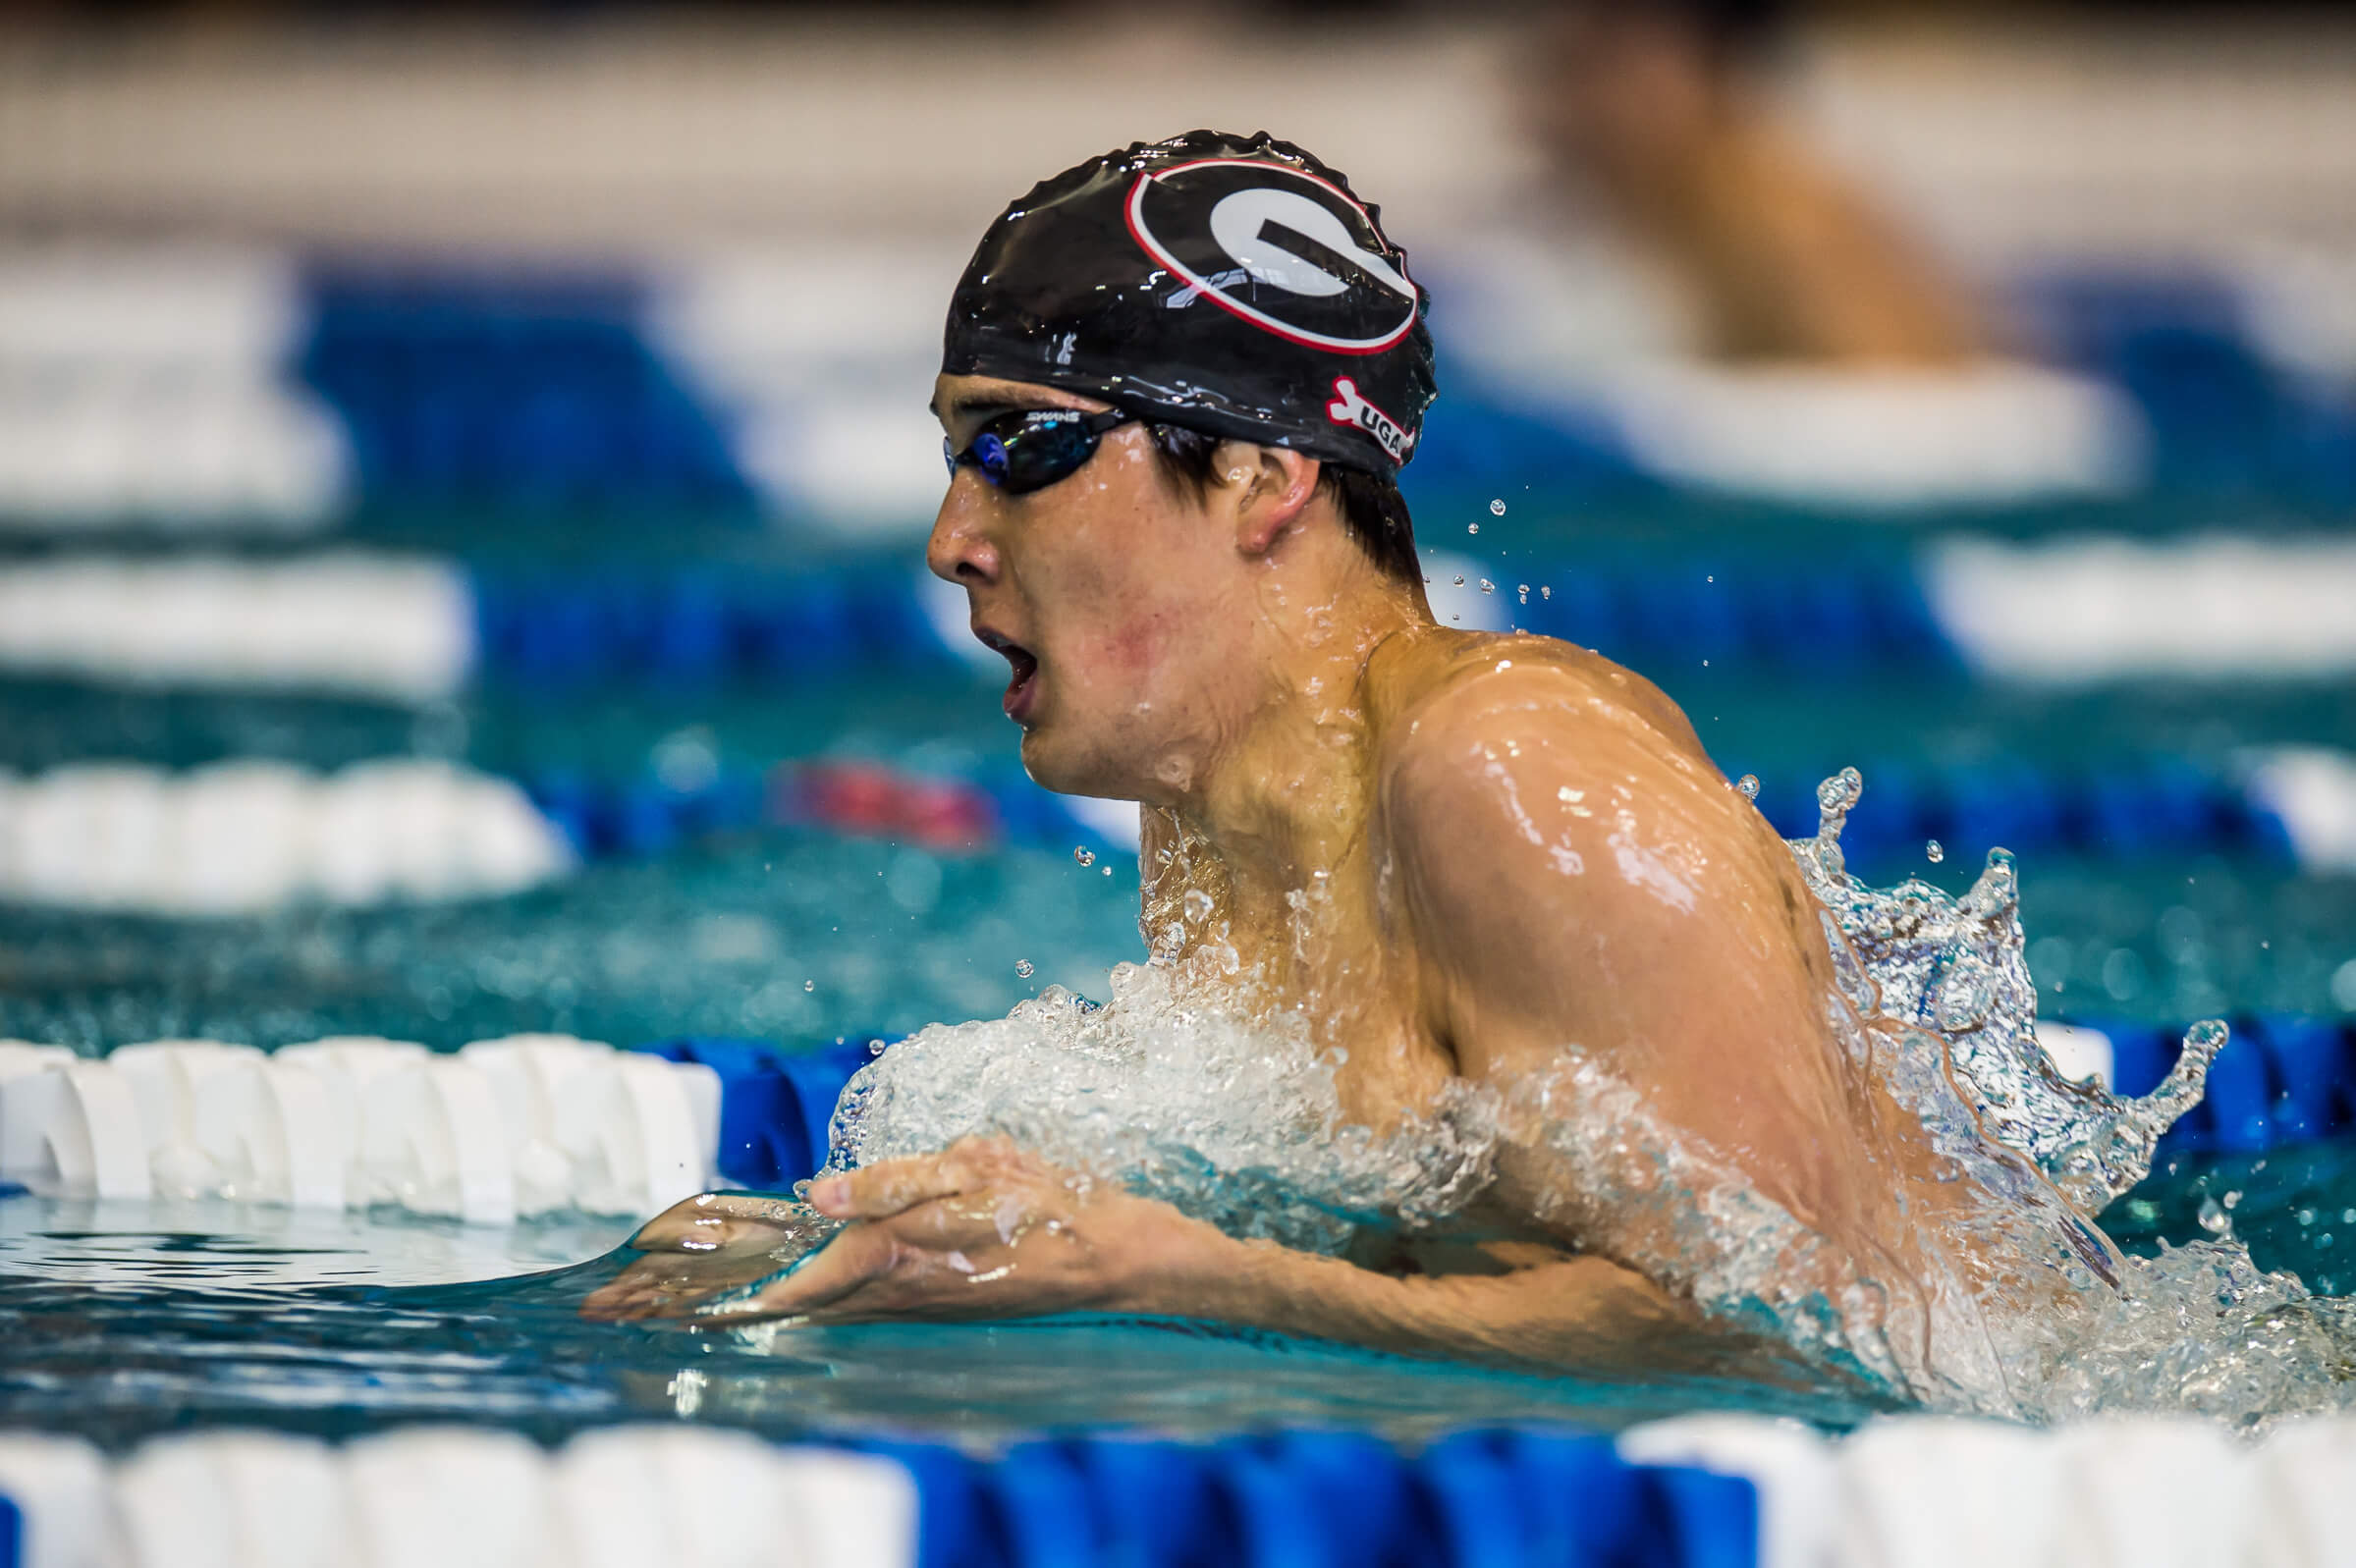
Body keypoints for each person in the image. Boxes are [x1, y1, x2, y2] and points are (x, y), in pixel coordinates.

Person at [584, 132, 2105, 1402]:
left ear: (1261, 472)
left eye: (1020, 446)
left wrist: (1167, 1267)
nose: (950, 539)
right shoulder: (1222, 809)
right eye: (952, 453)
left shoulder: (1510, 773)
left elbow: (1804, 1326)